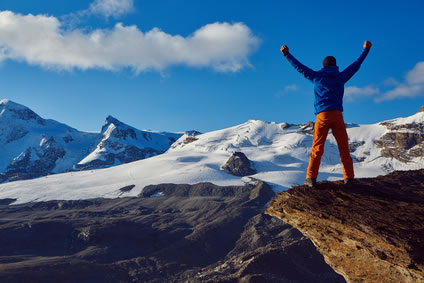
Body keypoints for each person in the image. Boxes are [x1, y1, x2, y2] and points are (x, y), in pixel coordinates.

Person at [280, 41, 372, 187]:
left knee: (317, 148)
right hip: (337, 115)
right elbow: (356, 65)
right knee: (343, 148)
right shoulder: (341, 77)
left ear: (323, 66)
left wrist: (286, 54)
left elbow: (299, 67)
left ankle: (311, 178)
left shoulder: (316, 76)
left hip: (322, 116)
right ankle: (348, 178)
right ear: (335, 66)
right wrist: (366, 50)